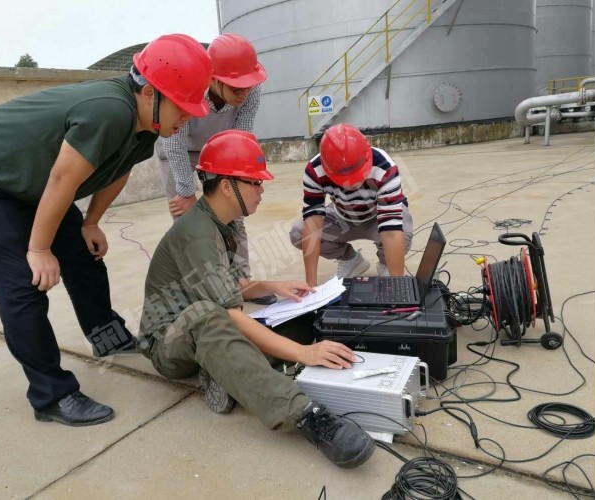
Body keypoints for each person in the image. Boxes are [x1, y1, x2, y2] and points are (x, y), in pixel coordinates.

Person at [0, 34, 212, 427]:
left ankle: (105, 334)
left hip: (26, 182)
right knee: (24, 280)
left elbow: (118, 170)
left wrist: (91, 222)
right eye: (183, 108)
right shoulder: (110, 111)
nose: (188, 118)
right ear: (151, 93)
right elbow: (63, 179)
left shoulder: (146, 126)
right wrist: (39, 249)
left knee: (83, 253)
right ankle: (51, 396)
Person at [137, 129, 376, 468]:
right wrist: (303, 353)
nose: (262, 191)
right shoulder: (197, 235)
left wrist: (271, 286)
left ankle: (224, 373)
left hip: (203, 321)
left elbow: (230, 286)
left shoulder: (225, 222)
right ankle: (306, 415)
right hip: (166, 341)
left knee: (296, 315)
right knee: (215, 317)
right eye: (255, 183)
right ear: (226, 185)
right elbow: (227, 312)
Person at [156, 33, 276, 305]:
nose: (243, 92)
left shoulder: (251, 89)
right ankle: (202, 289)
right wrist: (187, 192)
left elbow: (242, 136)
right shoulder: (191, 86)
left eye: (247, 85)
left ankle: (242, 281)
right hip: (179, 149)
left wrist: (240, 180)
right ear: (212, 78)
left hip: (221, 149)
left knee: (235, 212)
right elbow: (173, 144)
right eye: (236, 88)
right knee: (186, 220)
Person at [290, 123, 414, 287]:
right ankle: (351, 260)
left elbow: (391, 230)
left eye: (357, 176)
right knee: (299, 233)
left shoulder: (384, 166)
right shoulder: (315, 170)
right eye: (343, 180)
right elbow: (312, 226)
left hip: (377, 216)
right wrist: (311, 287)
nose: (351, 184)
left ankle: (386, 265)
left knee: (401, 231)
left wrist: (398, 288)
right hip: (341, 217)